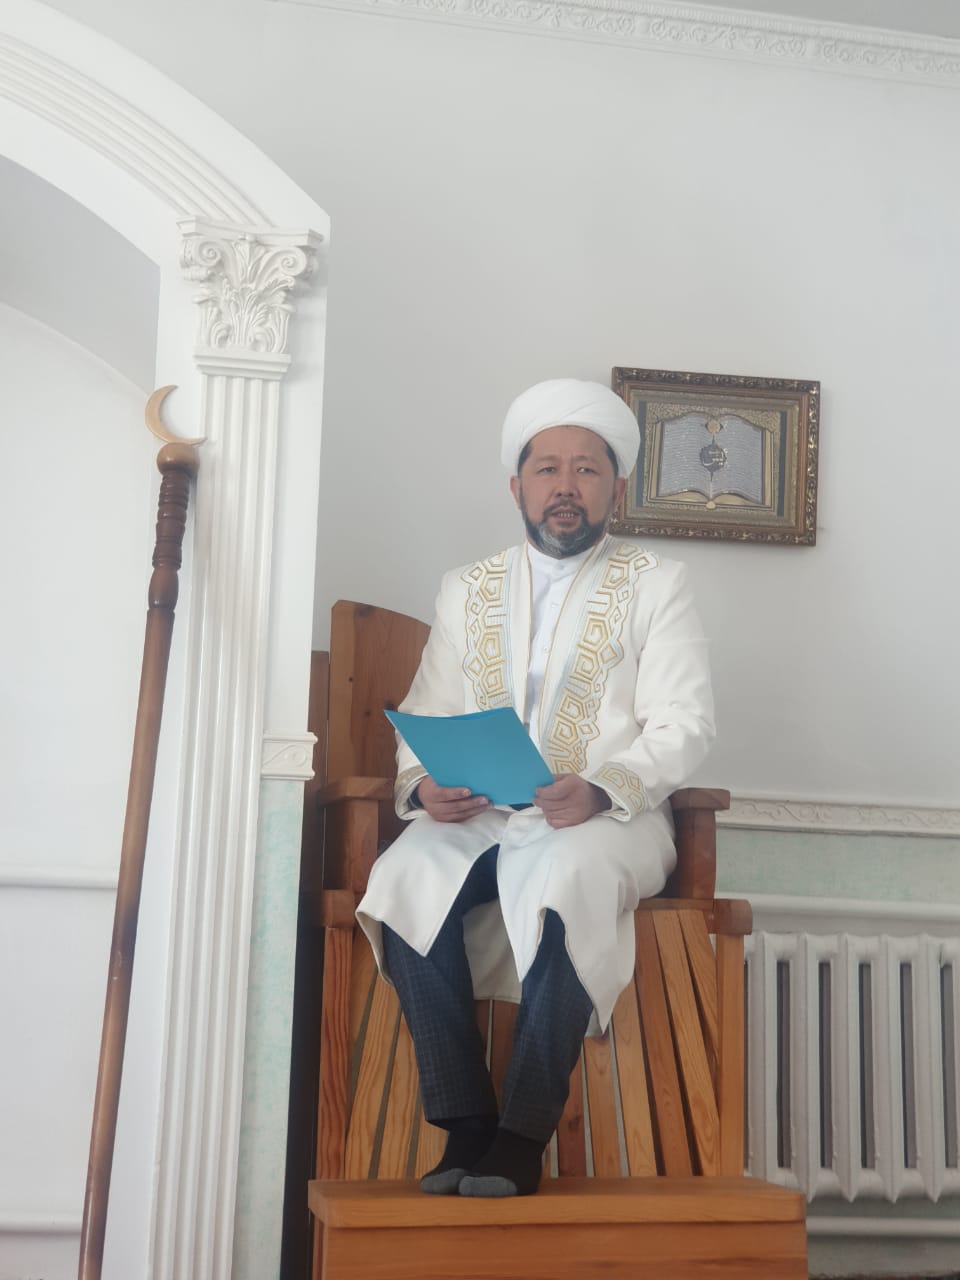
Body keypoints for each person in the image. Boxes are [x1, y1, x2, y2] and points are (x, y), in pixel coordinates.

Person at [356, 378, 715, 1198]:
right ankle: (464, 1123)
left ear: (616, 488)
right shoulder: (466, 587)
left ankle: (520, 1136)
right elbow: (427, 710)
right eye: (547, 469)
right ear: (515, 487)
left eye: (586, 469)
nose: (566, 486)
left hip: (609, 817)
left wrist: (605, 787)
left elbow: (686, 722)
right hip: (482, 812)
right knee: (399, 879)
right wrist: (425, 786)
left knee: (566, 879)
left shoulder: (658, 582)